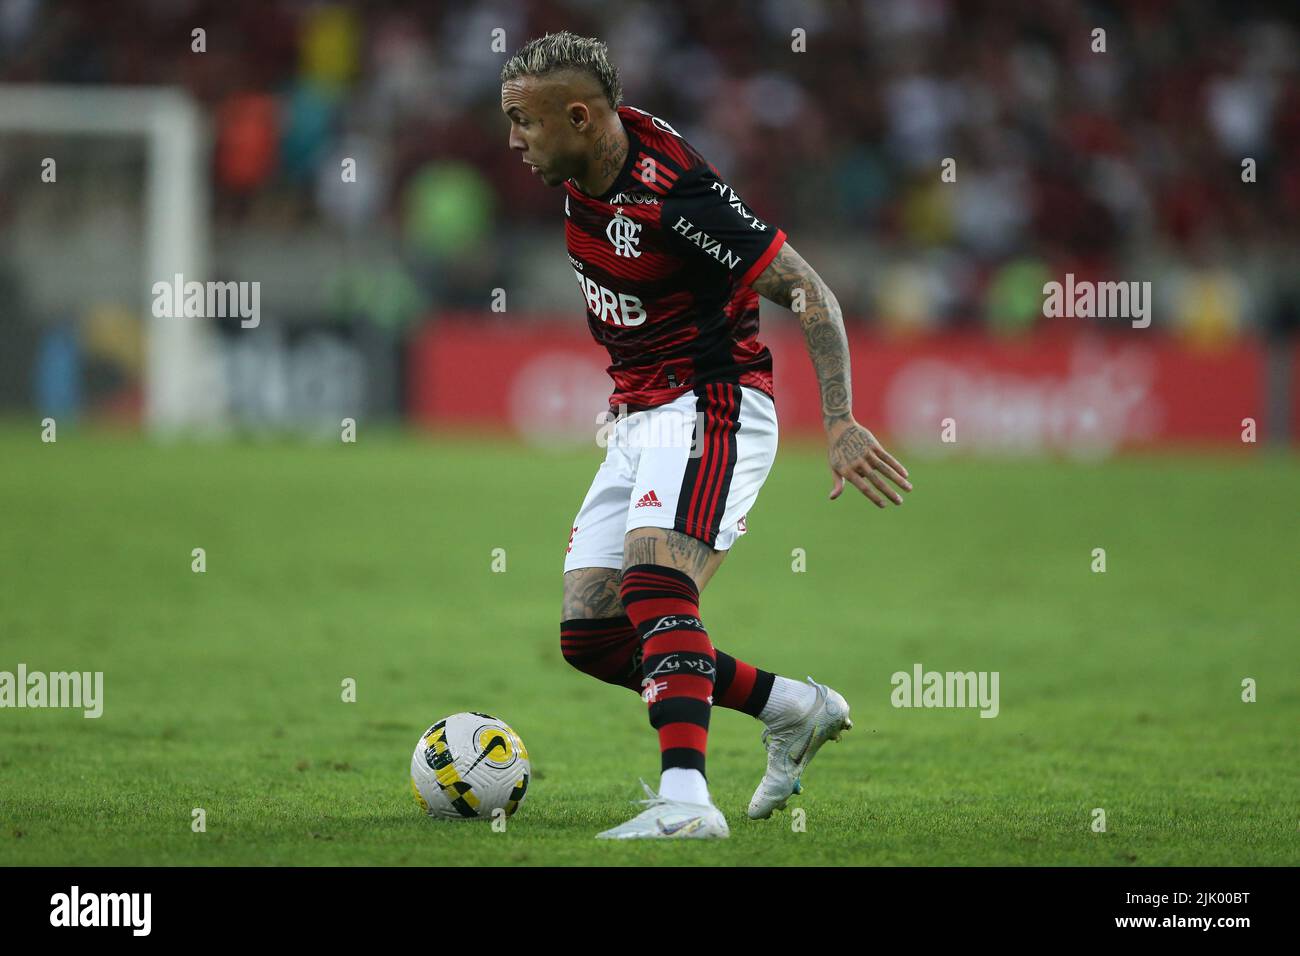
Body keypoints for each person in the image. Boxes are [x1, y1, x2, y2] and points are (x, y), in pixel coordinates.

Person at [500, 32, 912, 839]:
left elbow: (808, 291)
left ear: (579, 117)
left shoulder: (679, 194)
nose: (513, 140)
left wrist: (838, 420)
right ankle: (791, 706)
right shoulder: (585, 162)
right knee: (592, 633)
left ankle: (687, 801)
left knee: (656, 583)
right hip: (640, 410)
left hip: (711, 401)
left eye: (523, 122)